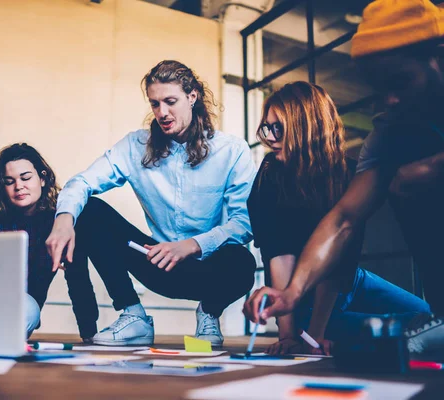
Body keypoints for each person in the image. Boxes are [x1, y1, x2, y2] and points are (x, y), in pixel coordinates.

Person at [244, 0, 444, 359]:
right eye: (378, 88)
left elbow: (344, 259)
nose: (390, 100)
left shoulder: (343, 167)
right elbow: (342, 221)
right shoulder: (387, 134)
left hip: (347, 281)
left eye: (400, 81)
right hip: (323, 286)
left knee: (414, 177)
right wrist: (290, 298)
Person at [46, 60, 257, 346]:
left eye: (170, 102)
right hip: (158, 265)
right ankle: (133, 315)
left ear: (192, 96)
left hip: (210, 269)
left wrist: (192, 245)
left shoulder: (232, 151)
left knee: (243, 261)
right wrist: (63, 220)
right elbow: (81, 182)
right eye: (155, 104)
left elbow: (243, 224)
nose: (162, 113)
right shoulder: (136, 146)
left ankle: (209, 313)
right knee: (88, 211)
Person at [247, 81, 430, 355]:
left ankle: (328, 329)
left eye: (278, 128)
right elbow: (278, 255)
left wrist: (315, 337)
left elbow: (341, 258)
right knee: (396, 333)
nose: (270, 137)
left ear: (305, 127)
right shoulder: (269, 176)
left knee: (428, 319)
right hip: (304, 299)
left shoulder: (349, 173)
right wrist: (288, 335)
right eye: (267, 127)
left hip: (348, 280)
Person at [0, 143, 99, 340]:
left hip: (24, 308)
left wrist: (89, 334)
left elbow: (78, 278)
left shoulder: (60, 223)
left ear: (42, 178)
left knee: (27, 309)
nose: (18, 186)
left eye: (26, 178)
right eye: (9, 181)